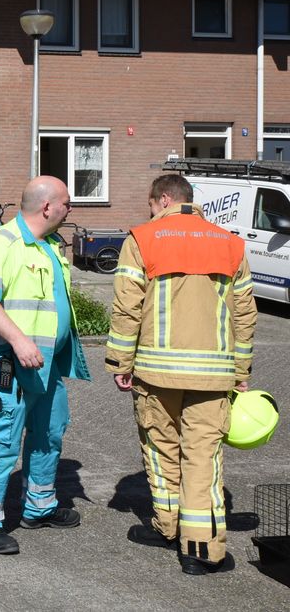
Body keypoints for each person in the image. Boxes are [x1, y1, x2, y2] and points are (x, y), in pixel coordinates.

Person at [107, 174, 256, 575]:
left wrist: (121, 363)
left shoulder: (142, 239)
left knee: (160, 449)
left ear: (165, 199)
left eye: (151, 204)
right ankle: (201, 552)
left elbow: (127, 307)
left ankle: (167, 527)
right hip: (213, 376)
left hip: (156, 373)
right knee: (203, 459)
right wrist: (241, 369)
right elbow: (244, 314)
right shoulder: (230, 244)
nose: (149, 211)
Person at [0, 176, 90, 555]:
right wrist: (19, 340)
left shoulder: (51, 245)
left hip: (46, 366)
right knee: (2, 441)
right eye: (67, 203)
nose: (71, 210)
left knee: (48, 435)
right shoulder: (2, 242)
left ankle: (39, 507)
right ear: (47, 207)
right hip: (9, 366)